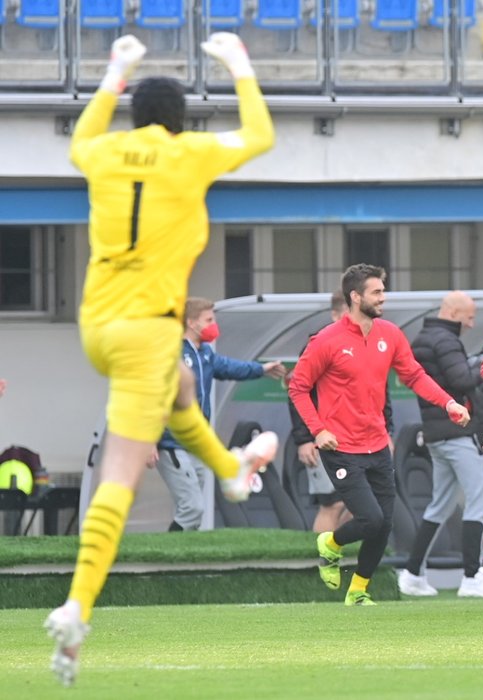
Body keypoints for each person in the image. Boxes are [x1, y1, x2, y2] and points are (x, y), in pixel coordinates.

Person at [44, 33, 278, 687]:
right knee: (122, 468)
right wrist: (239, 65)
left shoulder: (105, 149)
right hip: (147, 329)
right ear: (179, 121)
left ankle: (230, 472)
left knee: (179, 388)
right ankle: (76, 606)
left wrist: (116, 69)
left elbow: (78, 136)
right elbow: (259, 135)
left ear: (134, 113)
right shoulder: (192, 153)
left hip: (97, 325)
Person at [288, 264, 471, 606]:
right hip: (339, 446)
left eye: (383, 291)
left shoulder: (390, 334)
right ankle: (330, 544)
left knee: (383, 525)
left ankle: (358, 591)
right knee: (370, 518)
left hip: (376, 443)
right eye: (376, 292)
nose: (383, 298)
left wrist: (448, 403)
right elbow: (298, 387)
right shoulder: (326, 340)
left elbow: (415, 376)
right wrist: (318, 430)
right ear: (356, 297)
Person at [398, 291, 483, 598]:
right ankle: (472, 576)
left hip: (437, 434)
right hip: (456, 432)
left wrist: (476, 359)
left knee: (440, 504)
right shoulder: (444, 341)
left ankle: (412, 573)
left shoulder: (425, 336)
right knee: (480, 500)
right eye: (469, 317)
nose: (471, 324)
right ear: (456, 314)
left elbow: (453, 376)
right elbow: (462, 381)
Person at [155, 297, 287, 532]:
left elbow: (228, 367)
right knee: (192, 508)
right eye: (209, 320)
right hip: (171, 443)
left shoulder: (204, 353)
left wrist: (261, 369)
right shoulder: (172, 353)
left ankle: (183, 560)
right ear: (192, 323)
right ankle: (165, 561)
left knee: (194, 509)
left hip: (196, 444)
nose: (213, 324)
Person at [288, 292, 354, 533]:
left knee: (364, 505)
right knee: (332, 503)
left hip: (354, 439)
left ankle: (338, 552)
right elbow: (297, 391)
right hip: (322, 439)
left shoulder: (361, 344)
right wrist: (304, 438)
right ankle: (322, 565)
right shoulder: (317, 345)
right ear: (334, 314)